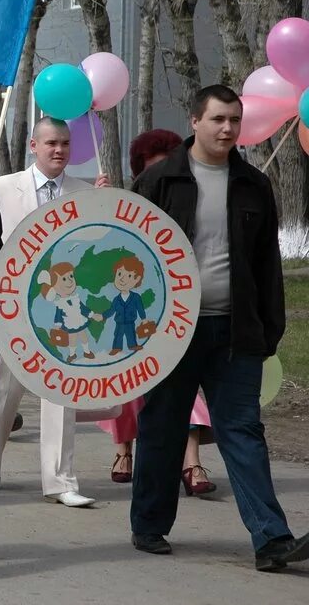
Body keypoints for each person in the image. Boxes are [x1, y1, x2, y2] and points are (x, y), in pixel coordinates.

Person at [129, 85, 308, 571]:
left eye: (234, 119)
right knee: (162, 428)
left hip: (236, 334)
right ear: (194, 121)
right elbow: (132, 257)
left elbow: (267, 263)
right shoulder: (158, 182)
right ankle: (149, 524)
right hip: (170, 334)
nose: (227, 128)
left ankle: (272, 538)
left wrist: (269, 331)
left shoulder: (253, 184)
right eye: (217, 120)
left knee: (243, 431)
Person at [0, 116, 108, 508]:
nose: (59, 150)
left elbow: (98, 248)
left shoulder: (85, 191)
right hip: (17, 308)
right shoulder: (1, 189)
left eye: (65, 144)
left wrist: (107, 205)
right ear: (34, 145)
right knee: (7, 387)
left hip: (66, 310)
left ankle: (60, 480)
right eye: (51, 143)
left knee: (62, 390)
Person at [99, 129, 215, 492]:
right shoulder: (128, 208)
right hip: (135, 315)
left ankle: (191, 463)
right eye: (152, 172)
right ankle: (123, 450)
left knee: (185, 388)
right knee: (128, 382)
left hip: (180, 309)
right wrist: (103, 205)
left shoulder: (196, 205)